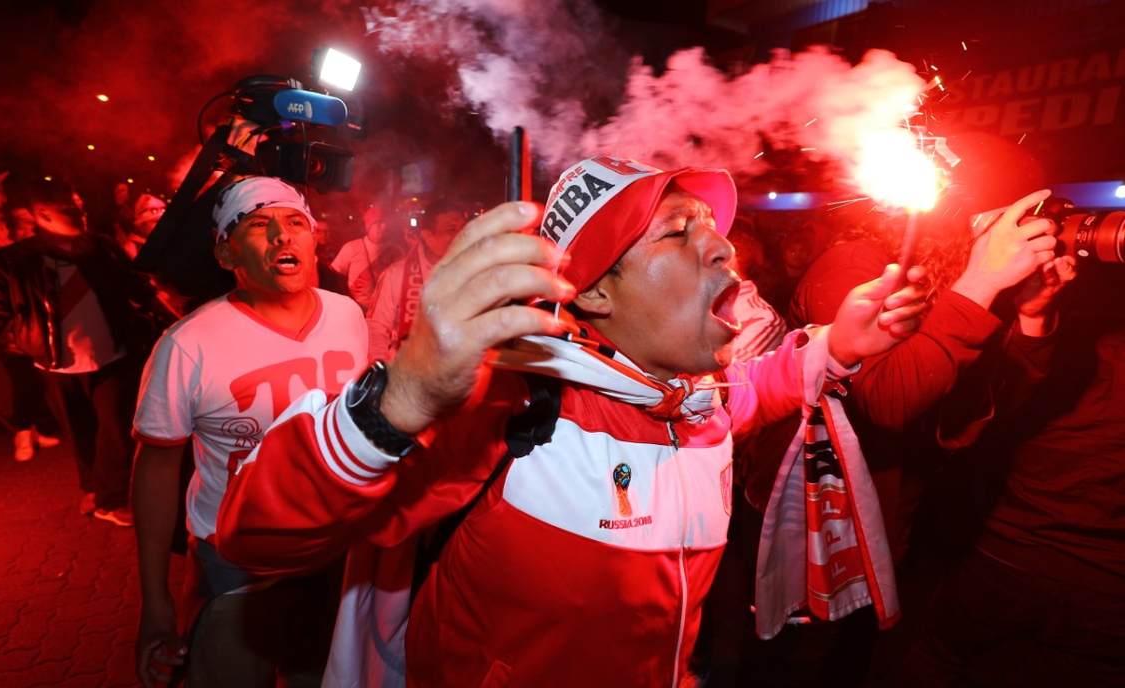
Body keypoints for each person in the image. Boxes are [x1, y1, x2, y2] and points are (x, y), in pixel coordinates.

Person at [214, 155, 928, 687]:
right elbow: (258, 537)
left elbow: (741, 399)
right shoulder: (511, 405)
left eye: (712, 226)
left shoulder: (690, 400)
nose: (721, 245)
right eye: (679, 232)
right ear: (593, 295)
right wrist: (402, 397)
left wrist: (835, 346)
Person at [724, 188, 1070, 687]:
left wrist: (1032, 315)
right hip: (812, 509)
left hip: (889, 510)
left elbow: (985, 414)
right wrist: (980, 281)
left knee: (852, 651)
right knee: (789, 655)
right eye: (1009, 219)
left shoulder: (957, 279)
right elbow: (887, 402)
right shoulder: (857, 261)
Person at [130, 176, 368, 688]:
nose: (283, 236)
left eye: (295, 223)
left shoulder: (349, 315)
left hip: (333, 554)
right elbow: (156, 468)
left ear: (312, 240)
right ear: (224, 251)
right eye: (259, 225)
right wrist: (155, 603)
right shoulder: (188, 344)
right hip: (235, 565)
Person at [901, 262, 1121, 687]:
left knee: (937, 657)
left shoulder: (1056, 346)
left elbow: (987, 424)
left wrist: (1034, 319)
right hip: (1105, 582)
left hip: (1011, 554)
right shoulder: (1060, 345)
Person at [0, 178, 172, 524]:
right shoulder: (11, 264)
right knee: (82, 432)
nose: (80, 213)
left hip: (115, 356)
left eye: (79, 205)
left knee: (116, 428)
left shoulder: (102, 248)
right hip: (56, 364)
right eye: (69, 208)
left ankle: (112, 500)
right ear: (42, 215)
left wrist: (180, 321)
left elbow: (142, 292)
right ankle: (93, 491)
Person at [365, 198, 468, 360]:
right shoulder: (396, 274)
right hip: (406, 370)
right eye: (451, 230)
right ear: (428, 235)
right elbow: (375, 329)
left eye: (462, 228)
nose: (460, 236)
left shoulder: (470, 271)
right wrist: (383, 374)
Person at [330, 205, 392, 311]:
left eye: (386, 223)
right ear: (368, 226)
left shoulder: (395, 251)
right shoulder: (351, 248)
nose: (384, 226)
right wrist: (347, 300)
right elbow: (334, 277)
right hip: (356, 312)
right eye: (379, 223)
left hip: (385, 313)